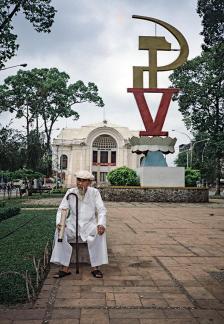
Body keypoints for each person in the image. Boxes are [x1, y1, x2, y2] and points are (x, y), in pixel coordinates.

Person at [50, 170, 108, 278]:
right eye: (78, 180)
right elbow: (62, 209)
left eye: (83, 181)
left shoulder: (94, 193)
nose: (80, 183)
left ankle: (95, 267)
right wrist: (60, 222)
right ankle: (64, 268)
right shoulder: (70, 192)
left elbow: (101, 210)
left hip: (89, 224)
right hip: (72, 224)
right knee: (60, 232)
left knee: (100, 233)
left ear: (89, 182)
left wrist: (101, 224)